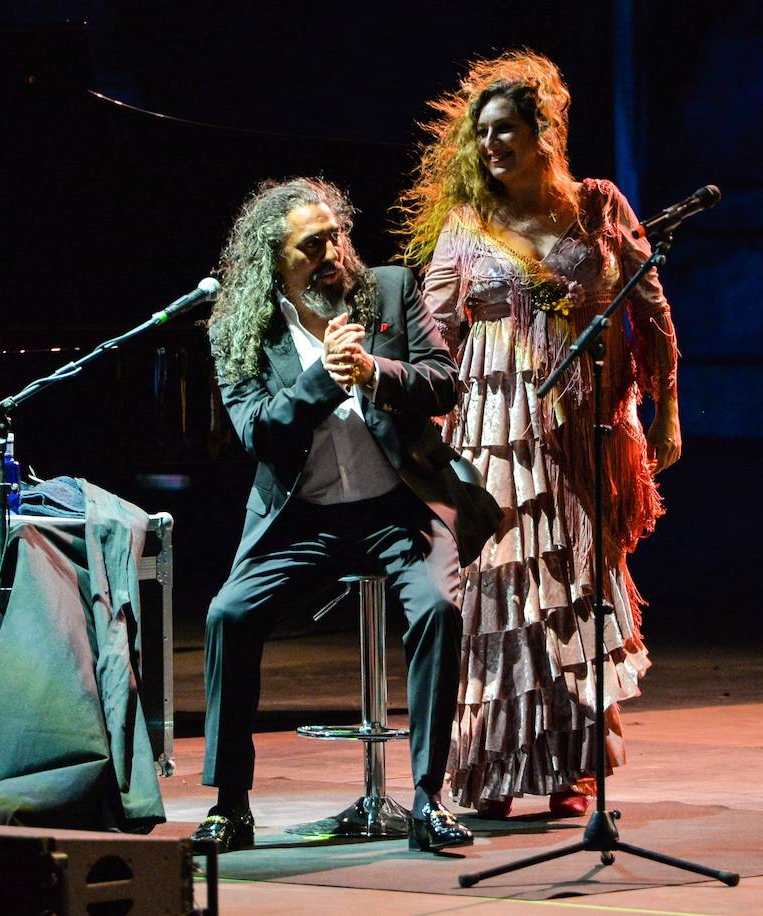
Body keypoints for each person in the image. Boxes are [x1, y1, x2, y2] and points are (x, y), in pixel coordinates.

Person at [398, 51, 682, 818]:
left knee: (570, 590)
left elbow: (649, 308)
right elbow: (433, 333)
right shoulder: (466, 227)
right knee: (501, 594)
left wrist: (667, 412)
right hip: (493, 435)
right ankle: (492, 769)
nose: (490, 146)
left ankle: (570, 767)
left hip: (579, 431)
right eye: (481, 135)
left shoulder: (597, 208)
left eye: (505, 131)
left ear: (543, 131)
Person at [193, 177, 498, 854]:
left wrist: (374, 373)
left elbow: (444, 380)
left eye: (337, 234)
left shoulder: (388, 288)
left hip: (400, 507)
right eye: (313, 244)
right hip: (302, 517)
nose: (334, 251)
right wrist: (321, 379)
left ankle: (427, 798)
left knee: (438, 609)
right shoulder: (242, 328)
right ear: (273, 259)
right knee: (228, 615)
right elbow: (258, 437)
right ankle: (230, 804)